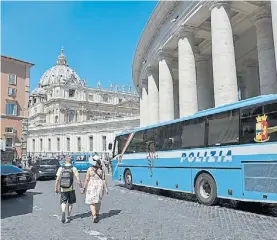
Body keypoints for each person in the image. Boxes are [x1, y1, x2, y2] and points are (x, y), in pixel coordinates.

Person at [55, 155, 83, 223]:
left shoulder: (61, 168)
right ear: (71, 161)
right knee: (70, 203)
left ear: (65, 160)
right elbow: (78, 180)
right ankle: (68, 216)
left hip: (63, 188)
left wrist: (56, 188)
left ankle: (63, 211)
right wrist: (81, 187)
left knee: (63, 201)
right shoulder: (74, 168)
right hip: (71, 188)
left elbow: (57, 179)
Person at [82, 155, 108, 223]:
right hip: (99, 185)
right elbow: (104, 179)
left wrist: (84, 188)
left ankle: (94, 216)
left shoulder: (90, 169)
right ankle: (97, 214)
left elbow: (87, 179)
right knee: (98, 201)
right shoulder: (101, 169)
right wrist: (106, 188)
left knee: (92, 201)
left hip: (92, 185)